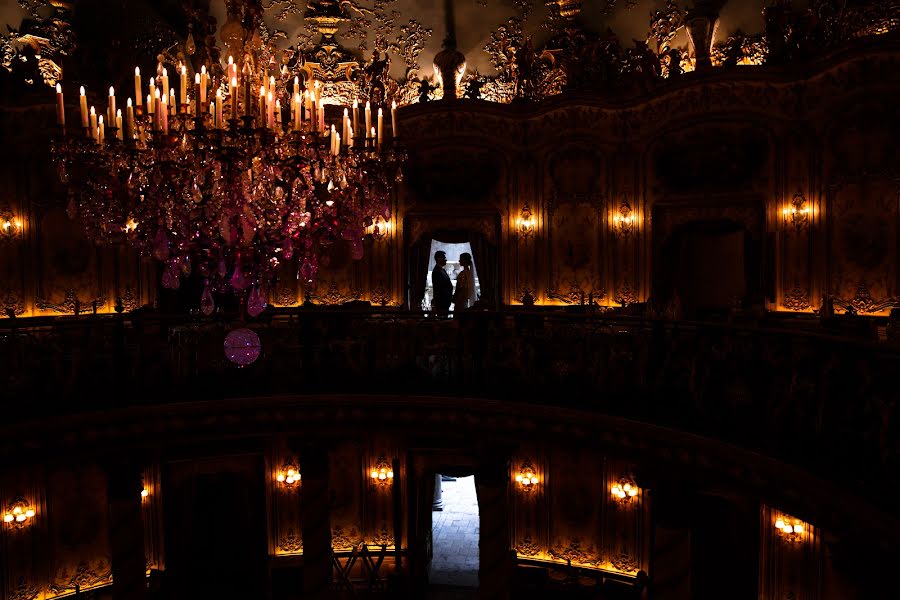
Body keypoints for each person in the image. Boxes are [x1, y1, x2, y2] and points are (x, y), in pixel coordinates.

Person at [431, 251, 453, 316]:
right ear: (439, 258)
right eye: (444, 258)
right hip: (442, 303)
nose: (446, 260)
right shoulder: (437, 271)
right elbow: (438, 288)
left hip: (445, 302)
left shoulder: (441, 270)